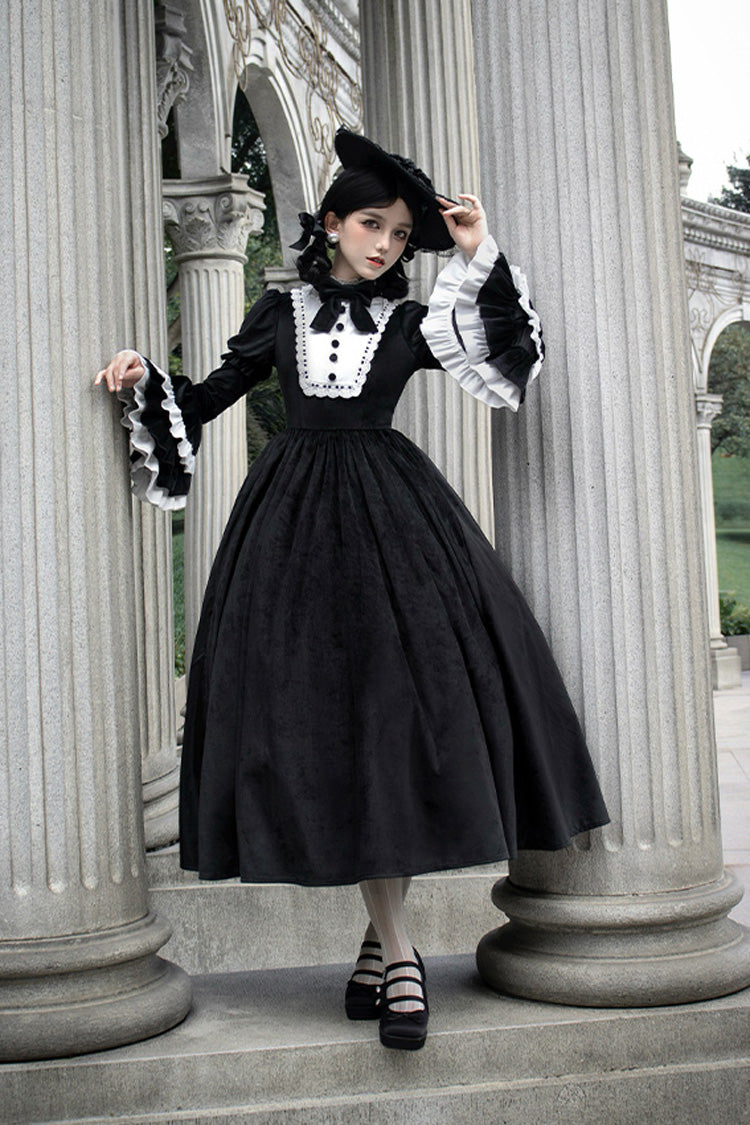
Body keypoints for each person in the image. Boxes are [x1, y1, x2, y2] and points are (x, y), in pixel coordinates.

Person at [96, 127, 609, 1051]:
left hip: (396, 528)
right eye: (372, 224)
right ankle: (389, 944)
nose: (385, 243)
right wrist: (143, 375)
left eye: (400, 234)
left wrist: (473, 250)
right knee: (330, 729)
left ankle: (394, 950)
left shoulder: (410, 324)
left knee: (392, 726)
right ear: (331, 223)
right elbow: (204, 400)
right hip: (290, 533)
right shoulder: (277, 313)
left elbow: (507, 345)